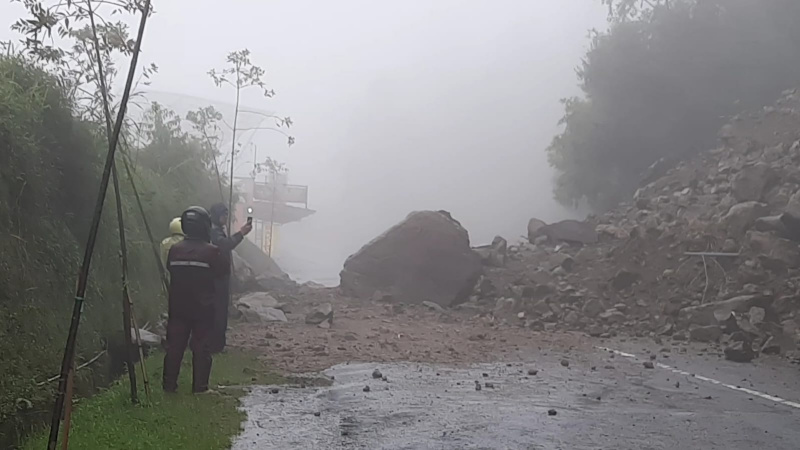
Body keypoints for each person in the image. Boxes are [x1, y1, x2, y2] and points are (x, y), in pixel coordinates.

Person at [162, 206, 225, 394]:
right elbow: (222, 272)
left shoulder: (174, 250)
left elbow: (169, 269)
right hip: (203, 308)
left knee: (174, 347)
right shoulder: (212, 252)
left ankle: (168, 386)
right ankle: (200, 387)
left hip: (177, 307)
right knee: (202, 347)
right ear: (204, 226)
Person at [208, 203, 252, 353]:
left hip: (219, 277)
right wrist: (241, 233)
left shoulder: (217, 230)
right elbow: (225, 245)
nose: (225, 217)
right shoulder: (214, 232)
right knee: (218, 312)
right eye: (223, 214)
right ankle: (216, 346)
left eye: (227, 214)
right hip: (216, 278)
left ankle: (217, 343)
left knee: (220, 311)